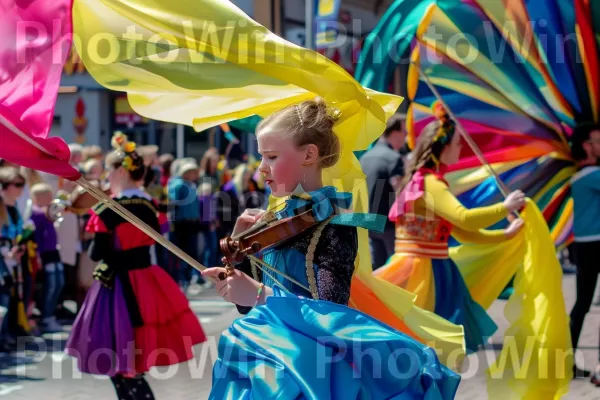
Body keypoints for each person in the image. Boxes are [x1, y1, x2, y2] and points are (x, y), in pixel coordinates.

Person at [202, 99, 460, 399]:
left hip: (310, 369)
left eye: (271, 156)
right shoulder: (272, 221)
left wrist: (259, 294)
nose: (262, 167)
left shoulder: (335, 225)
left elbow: (333, 313)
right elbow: (249, 305)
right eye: (262, 156)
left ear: (309, 154)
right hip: (265, 351)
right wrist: (238, 257)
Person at [65, 133, 206, 399]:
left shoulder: (107, 209)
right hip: (146, 280)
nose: (107, 175)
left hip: (117, 285)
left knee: (117, 359)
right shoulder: (150, 206)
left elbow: (98, 252)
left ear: (120, 171)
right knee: (133, 359)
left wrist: (90, 233)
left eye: (109, 170)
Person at [374, 114, 525, 352]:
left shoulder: (422, 180)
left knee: (423, 345)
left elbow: (463, 232)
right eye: (457, 143)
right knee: (423, 345)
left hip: (430, 269)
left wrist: (504, 235)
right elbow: (464, 218)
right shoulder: (431, 183)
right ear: (442, 147)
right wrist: (505, 207)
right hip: (424, 272)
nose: (461, 147)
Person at [569, 122, 600, 382]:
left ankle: (567, 362)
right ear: (586, 146)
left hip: (584, 245)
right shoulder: (590, 176)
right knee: (583, 304)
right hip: (595, 244)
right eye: (598, 141)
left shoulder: (579, 175)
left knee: (582, 304)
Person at [359, 114, 406, 269]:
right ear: (395, 132)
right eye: (404, 133)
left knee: (377, 269)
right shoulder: (393, 158)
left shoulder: (365, 157)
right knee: (395, 269)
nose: (405, 138)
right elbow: (398, 189)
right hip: (388, 224)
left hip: (367, 221)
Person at [29, 183, 64, 333]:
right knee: (51, 285)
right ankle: (46, 317)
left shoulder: (47, 211)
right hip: (44, 254)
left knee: (59, 283)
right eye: (48, 195)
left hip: (53, 252)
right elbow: (35, 236)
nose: (51, 198)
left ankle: (50, 315)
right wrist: (37, 256)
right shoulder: (36, 213)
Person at [0, 167, 26, 350]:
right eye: (17, 185)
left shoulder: (15, 208)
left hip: (11, 260)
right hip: (2, 260)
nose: (20, 189)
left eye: (22, 184)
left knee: (8, 299)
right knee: (2, 300)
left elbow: (17, 232)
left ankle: (6, 334)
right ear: (4, 186)